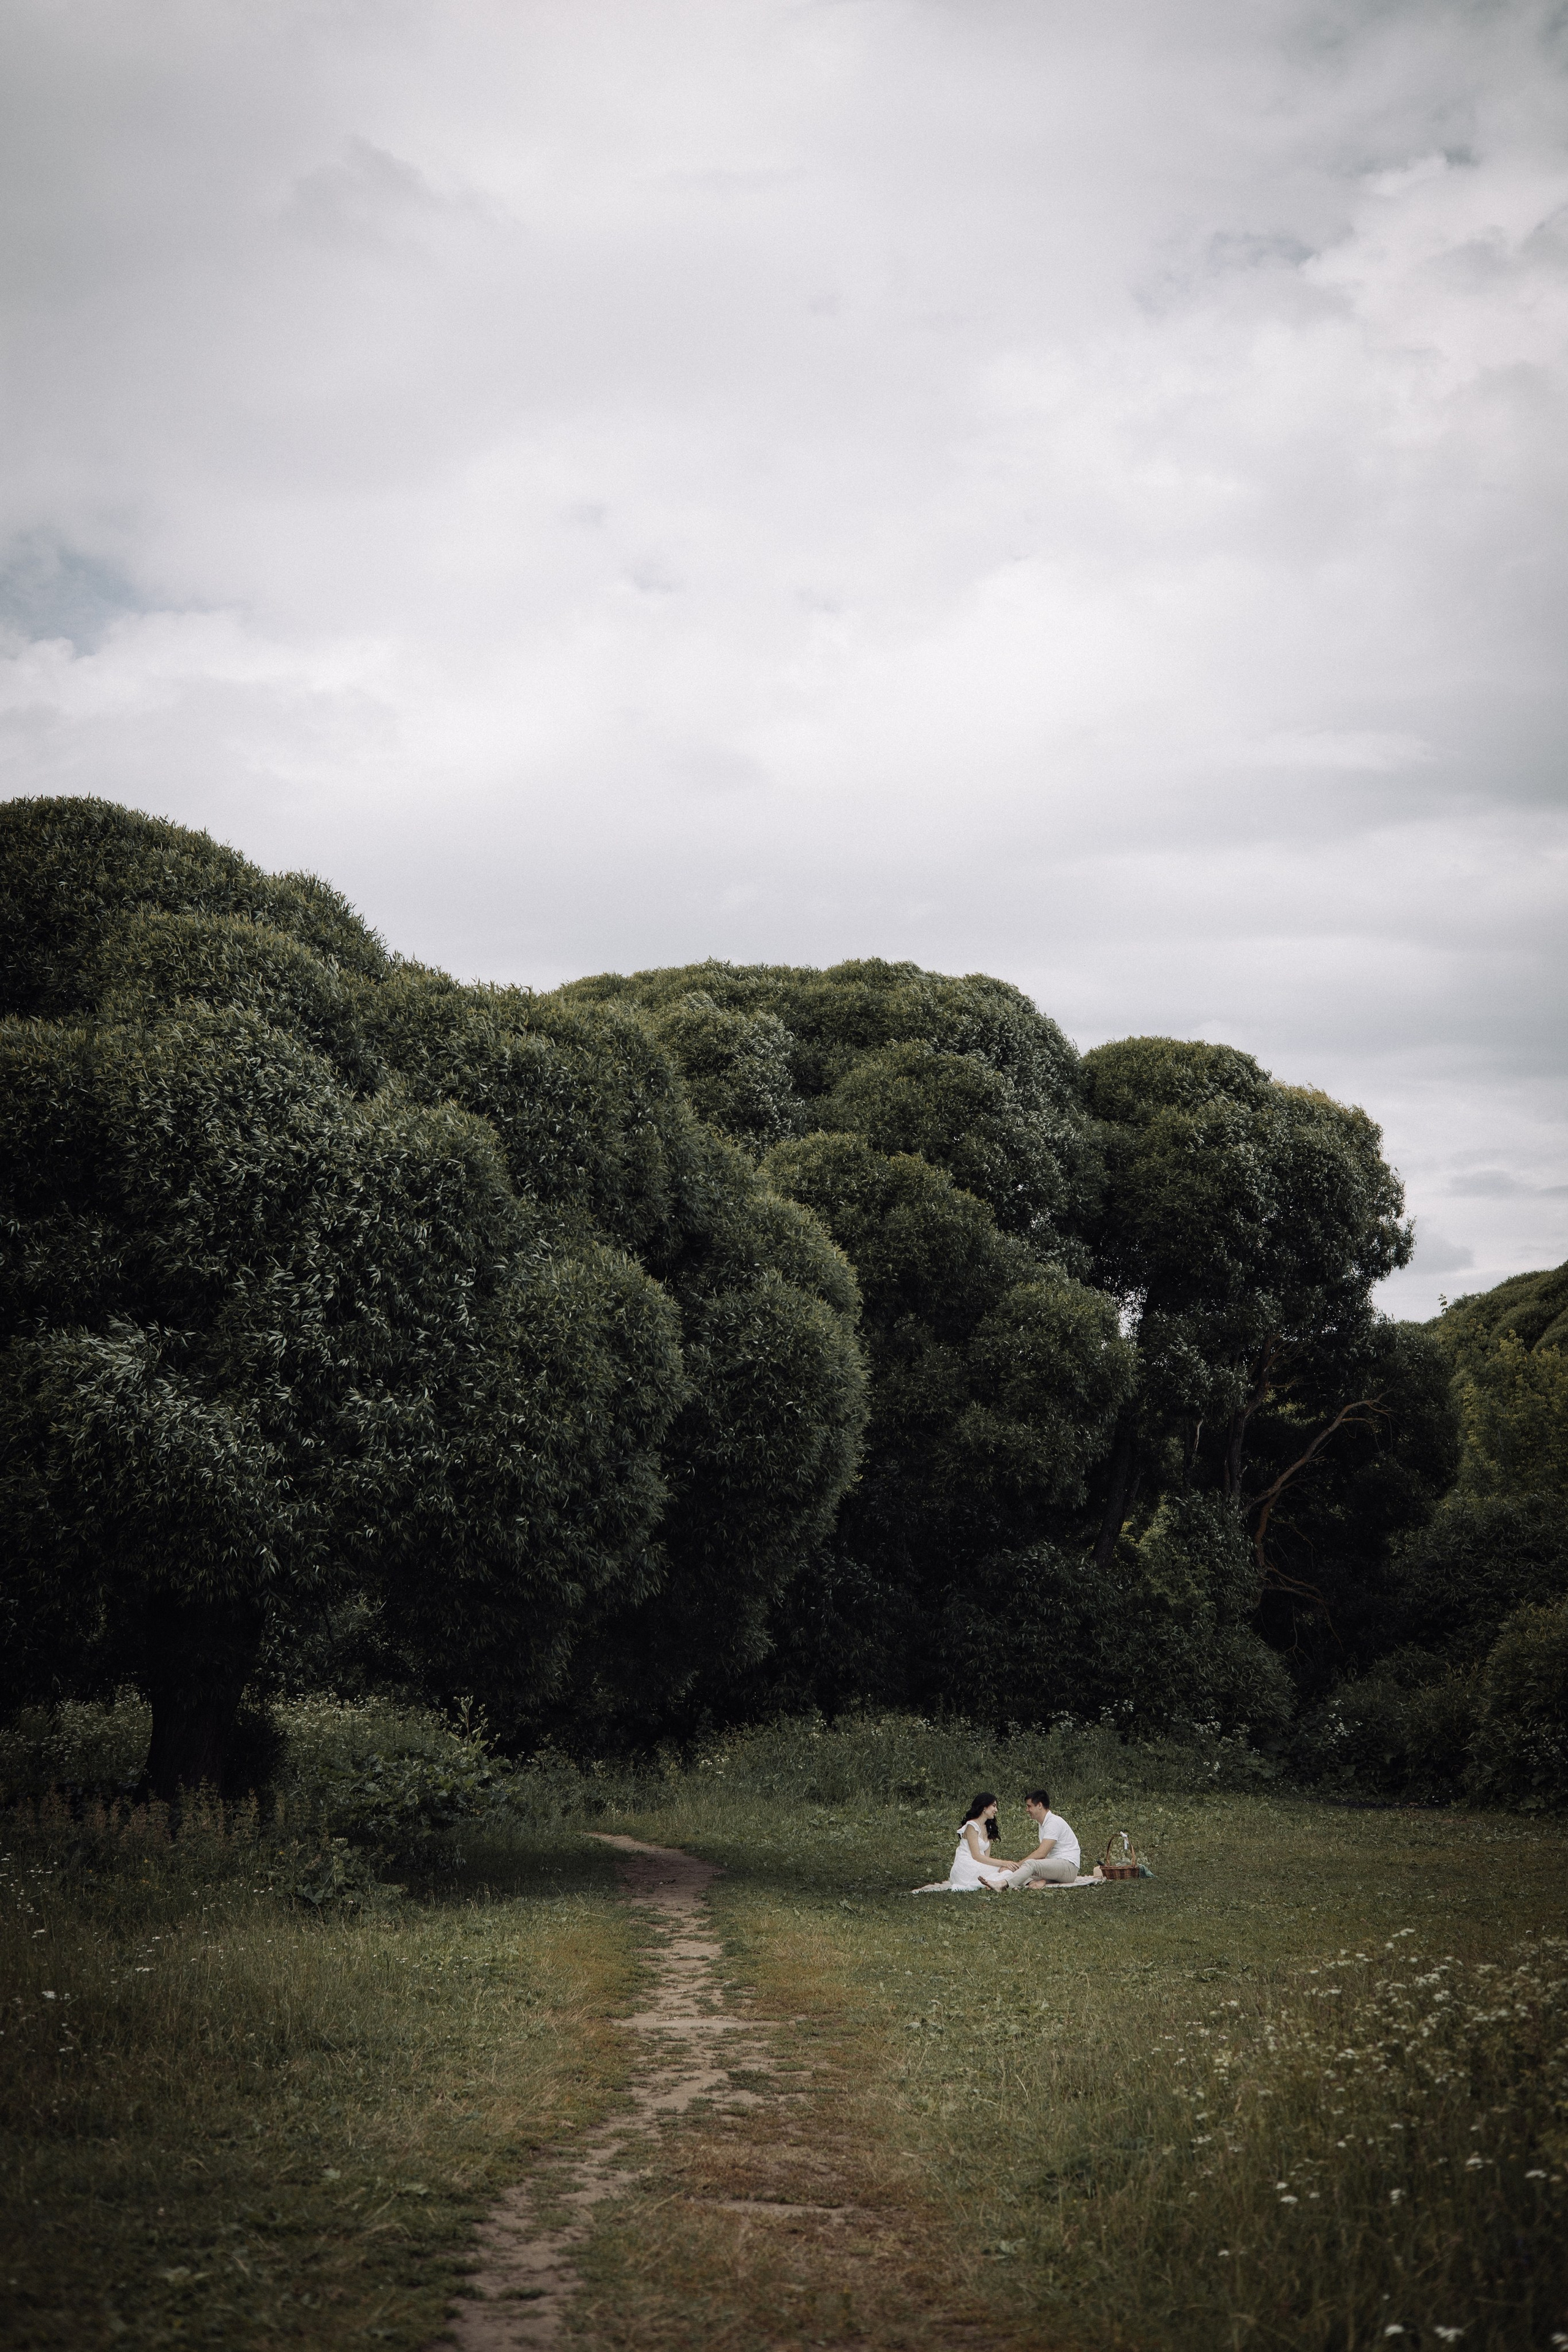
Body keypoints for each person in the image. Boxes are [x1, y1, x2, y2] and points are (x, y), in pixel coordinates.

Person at [1001, 1789, 1081, 1888]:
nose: (1027, 1810)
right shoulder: (1043, 1823)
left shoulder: (1053, 1822)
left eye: (1029, 1806)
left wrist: (1017, 1865)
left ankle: (1004, 1884)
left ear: (1039, 1806)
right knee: (1016, 1871)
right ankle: (1036, 1882)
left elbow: (1041, 1853)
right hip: (1056, 1867)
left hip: (1068, 1867)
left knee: (1030, 1865)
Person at [946, 1792, 1015, 1891]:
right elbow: (976, 1856)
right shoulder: (972, 1826)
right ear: (984, 1807)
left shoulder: (989, 1827)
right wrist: (1004, 1863)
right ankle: (995, 1883)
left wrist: (1002, 1866)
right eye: (994, 1806)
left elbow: (986, 1858)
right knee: (1007, 1870)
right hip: (966, 1867)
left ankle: (992, 1884)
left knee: (1007, 1871)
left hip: (978, 1865)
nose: (996, 1810)